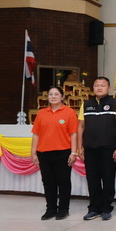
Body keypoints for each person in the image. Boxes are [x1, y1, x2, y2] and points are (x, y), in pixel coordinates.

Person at [77, 76, 116, 220]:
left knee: (108, 179)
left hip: (109, 150)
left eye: (102, 85)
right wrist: (79, 147)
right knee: (92, 180)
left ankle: (106, 208)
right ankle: (94, 208)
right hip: (90, 149)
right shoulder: (86, 104)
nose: (99, 88)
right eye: (96, 85)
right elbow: (80, 127)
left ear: (109, 88)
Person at [31, 86, 78, 220]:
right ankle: (51, 209)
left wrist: (73, 152)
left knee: (63, 182)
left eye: (56, 94)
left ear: (62, 97)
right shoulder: (41, 113)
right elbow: (36, 134)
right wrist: (33, 152)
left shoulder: (69, 112)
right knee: (48, 182)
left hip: (63, 152)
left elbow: (73, 134)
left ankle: (63, 209)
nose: (53, 97)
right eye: (50, 94)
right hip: (44, 153)